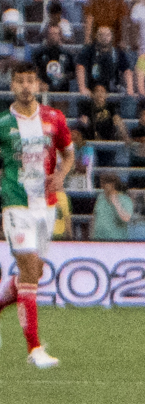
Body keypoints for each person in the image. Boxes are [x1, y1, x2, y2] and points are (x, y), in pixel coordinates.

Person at [0, 61, 72, 366]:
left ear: (39, 84)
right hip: (16, 203)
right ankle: (35, 349)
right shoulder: (3, 124)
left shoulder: (54, 118)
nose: (26, 86)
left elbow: (68, 152)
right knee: (29, 269)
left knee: (34, 273)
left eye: (31, 80)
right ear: (12, 85)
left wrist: (63, 174)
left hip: (47, 205)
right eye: (20, 81)